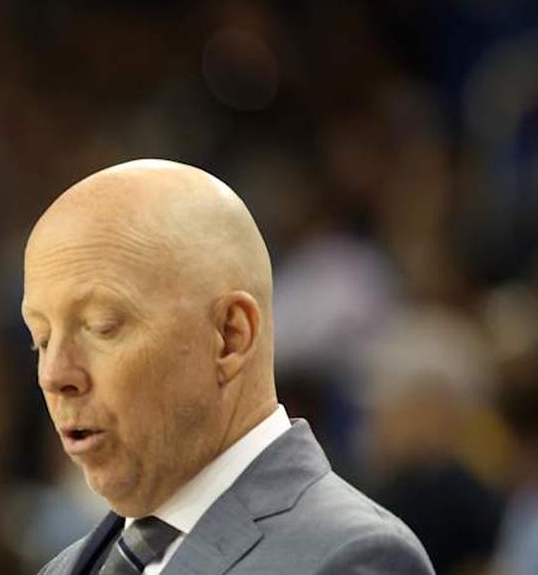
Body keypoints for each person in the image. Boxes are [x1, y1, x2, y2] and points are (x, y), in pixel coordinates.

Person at [22, 159, 434, 575]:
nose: (54, 375)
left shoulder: (349, 557)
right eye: (40, 339)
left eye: (101, 326)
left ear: (230, 335)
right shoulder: (62, 568)